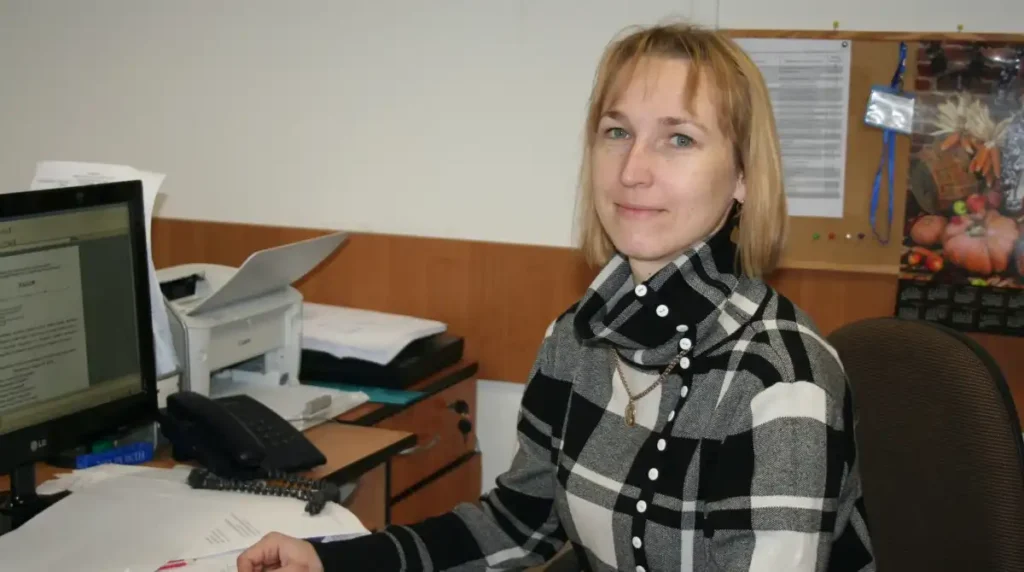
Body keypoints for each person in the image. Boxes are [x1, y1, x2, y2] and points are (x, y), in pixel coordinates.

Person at [237, 21, 876, 572]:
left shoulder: (780, 385)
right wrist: (335, 560)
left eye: (678, 138)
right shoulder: (578, 338)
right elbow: (517, 524)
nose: (632, 170)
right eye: (616, 132)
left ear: (742, 176)